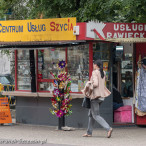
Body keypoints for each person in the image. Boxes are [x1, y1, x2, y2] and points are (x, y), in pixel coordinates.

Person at [82, 60, 113, 138]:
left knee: (95, 115)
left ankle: (108, 128)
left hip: (95, 96)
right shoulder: (103, 72)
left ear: (96, 65)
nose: (93, 65)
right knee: (91, 115)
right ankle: (89, 132)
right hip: (101, 96)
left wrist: (89, 83)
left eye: (93, 64)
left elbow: (95, 84)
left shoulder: (95, 72)